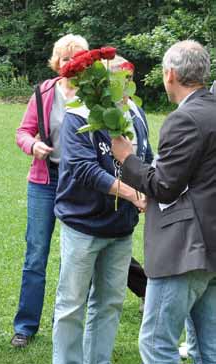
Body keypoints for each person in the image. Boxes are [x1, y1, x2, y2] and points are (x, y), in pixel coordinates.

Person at [111, 40, 216, 364]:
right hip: (210, 248)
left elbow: (166, 186)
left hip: (185, 247)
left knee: (157, 344)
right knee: (207, 348)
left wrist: (127, 158)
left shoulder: (184, 119)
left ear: (170, 74)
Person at [51, 54, 151, 363]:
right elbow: (84, 170)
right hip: (83, 225)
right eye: (119, 79)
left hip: (121, 227)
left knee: (110, 303)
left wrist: (151, 188)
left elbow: (146, 157)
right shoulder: (79, 115)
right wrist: (133, 193)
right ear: (101, 83)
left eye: (128, 78)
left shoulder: (134, 112)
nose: (126, 85)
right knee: (71, 305)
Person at [11, 34, 88, 347]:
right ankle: (25, 327)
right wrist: (34, 145)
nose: (72, 64)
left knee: (76, 255)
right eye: (66, 58)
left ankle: (66, 323)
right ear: (57, 62)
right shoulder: (43, 91)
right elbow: (22, 132)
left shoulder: (94, 94)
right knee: (36, 255)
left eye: (78, 58)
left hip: (80, 182)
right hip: (44, 180)